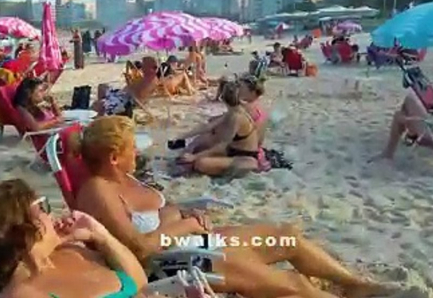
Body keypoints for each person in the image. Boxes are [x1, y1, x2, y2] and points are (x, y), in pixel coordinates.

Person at [72, 116, 397, 298]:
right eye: (132, 149)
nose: (137, 154)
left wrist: (181, 213)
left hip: (195, 242)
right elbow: (139, 249)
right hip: (174, 263)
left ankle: (357, 286)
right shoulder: (97, 190)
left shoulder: (126, 178)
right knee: (293, 285)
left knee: (287, 238)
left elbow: (158, 215)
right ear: (114, 157)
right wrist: (184, 225)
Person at [0, 178, 150, 298]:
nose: (51, 215)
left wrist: (101, 236)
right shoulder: (22, 294)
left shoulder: (74, 251)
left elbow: (140, 283)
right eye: (42, 208)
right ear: (23, 228)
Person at [174, 75, 267, 158]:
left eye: (241, 87)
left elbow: (221, 137)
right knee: (208, 134)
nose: (238, 89)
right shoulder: (256, 107)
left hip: (243, 151)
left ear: (252, 92)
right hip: (251, 148)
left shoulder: (246, 110)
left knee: (203, 140)